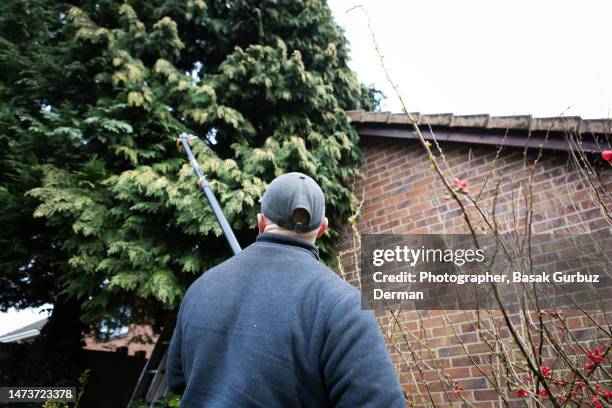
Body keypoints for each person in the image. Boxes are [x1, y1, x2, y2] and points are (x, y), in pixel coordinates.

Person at [167, 172, 405, 407]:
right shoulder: (343, 304)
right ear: (322, 229)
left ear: (261, 221)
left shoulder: (200, 288)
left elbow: (178, 380)